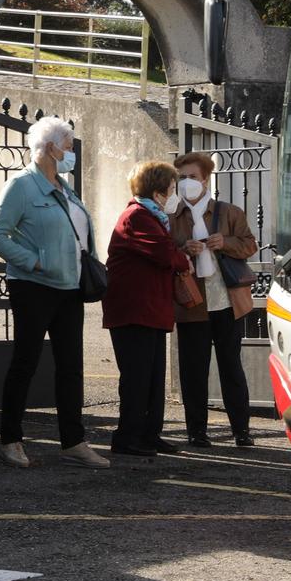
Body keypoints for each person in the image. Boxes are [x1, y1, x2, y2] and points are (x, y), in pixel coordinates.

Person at [0, 115, 109, 470]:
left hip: (70, 288)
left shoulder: (65, 186)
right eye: (68, 145)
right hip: (34, 286)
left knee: (71, 367)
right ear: (50, 148)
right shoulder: (21, 186)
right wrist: (35, 263)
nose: (71, 151)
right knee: (26, 362)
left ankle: (73, 441)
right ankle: (10, 439)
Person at [101, 161, 193, 457]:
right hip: (134, 310)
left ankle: (149, 434)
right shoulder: (137, 216)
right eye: (171, 188)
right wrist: (183, 259)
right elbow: (164, 253)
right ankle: (128, 437)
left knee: (152, 377)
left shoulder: (151, 217)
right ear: (158, 191)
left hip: (150, 309)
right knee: (137, 377)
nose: (174, 193)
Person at [170, 153, 259, 448]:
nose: (186, 183)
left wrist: (226, 242)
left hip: (227, 301)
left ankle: (242, 431)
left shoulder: (229, 212)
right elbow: (167, 252)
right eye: (181, 178)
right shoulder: (173, 216)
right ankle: (196, 431)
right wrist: (184, 249)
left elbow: (250, 245)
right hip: (193, 302)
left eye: (192, 177)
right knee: (193, 369)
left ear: (206, 179)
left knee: (230, 367)